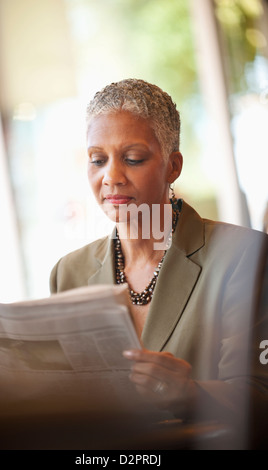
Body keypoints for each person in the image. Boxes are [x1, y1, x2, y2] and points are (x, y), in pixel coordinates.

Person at [50, 79, 268, 447]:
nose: (111, 177)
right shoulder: (68, 273)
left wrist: (191, 393)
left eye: (133, 158)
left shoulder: (244, 255)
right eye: (97, 160)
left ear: (173, 166)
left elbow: (260, 395)